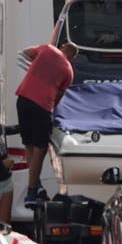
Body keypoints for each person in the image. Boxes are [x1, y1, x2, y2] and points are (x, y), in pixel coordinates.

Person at [15, 41, 77, 204]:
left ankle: (37, 185)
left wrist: (35, 67)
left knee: (28, 144)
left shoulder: (47, 49)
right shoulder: (68, 71)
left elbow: (25, 52)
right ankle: (31, 191)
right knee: (40, 150)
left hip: (23, 99)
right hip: (42, 107)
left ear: (62, 47)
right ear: (72, 58)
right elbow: (58, 97)